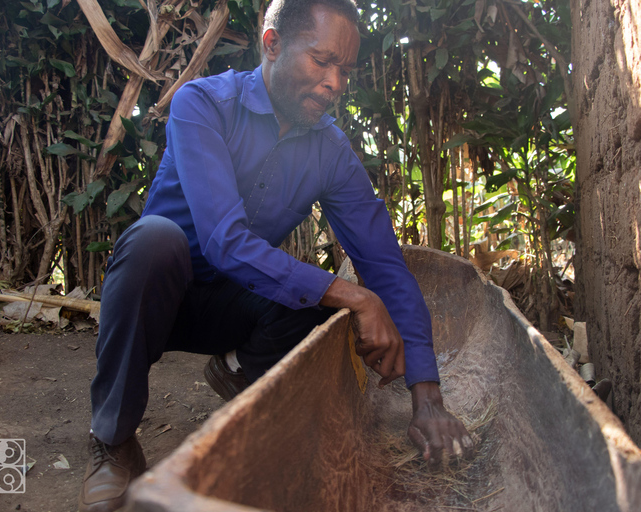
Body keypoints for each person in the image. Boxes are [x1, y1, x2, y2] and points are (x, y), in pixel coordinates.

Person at [77, 0, 474, 510]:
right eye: (322, 60)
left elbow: (384, 264)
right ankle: (112, 442)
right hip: (158, 302)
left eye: (345, 71)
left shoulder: (330, 150)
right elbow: (223, 240)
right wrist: (357, 297)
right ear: (272, 45)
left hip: (235, 306)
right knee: (154, 238)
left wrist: (428, 397)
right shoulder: (202, 104)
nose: (335, 83)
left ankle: (240, 369)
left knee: (309, 294)